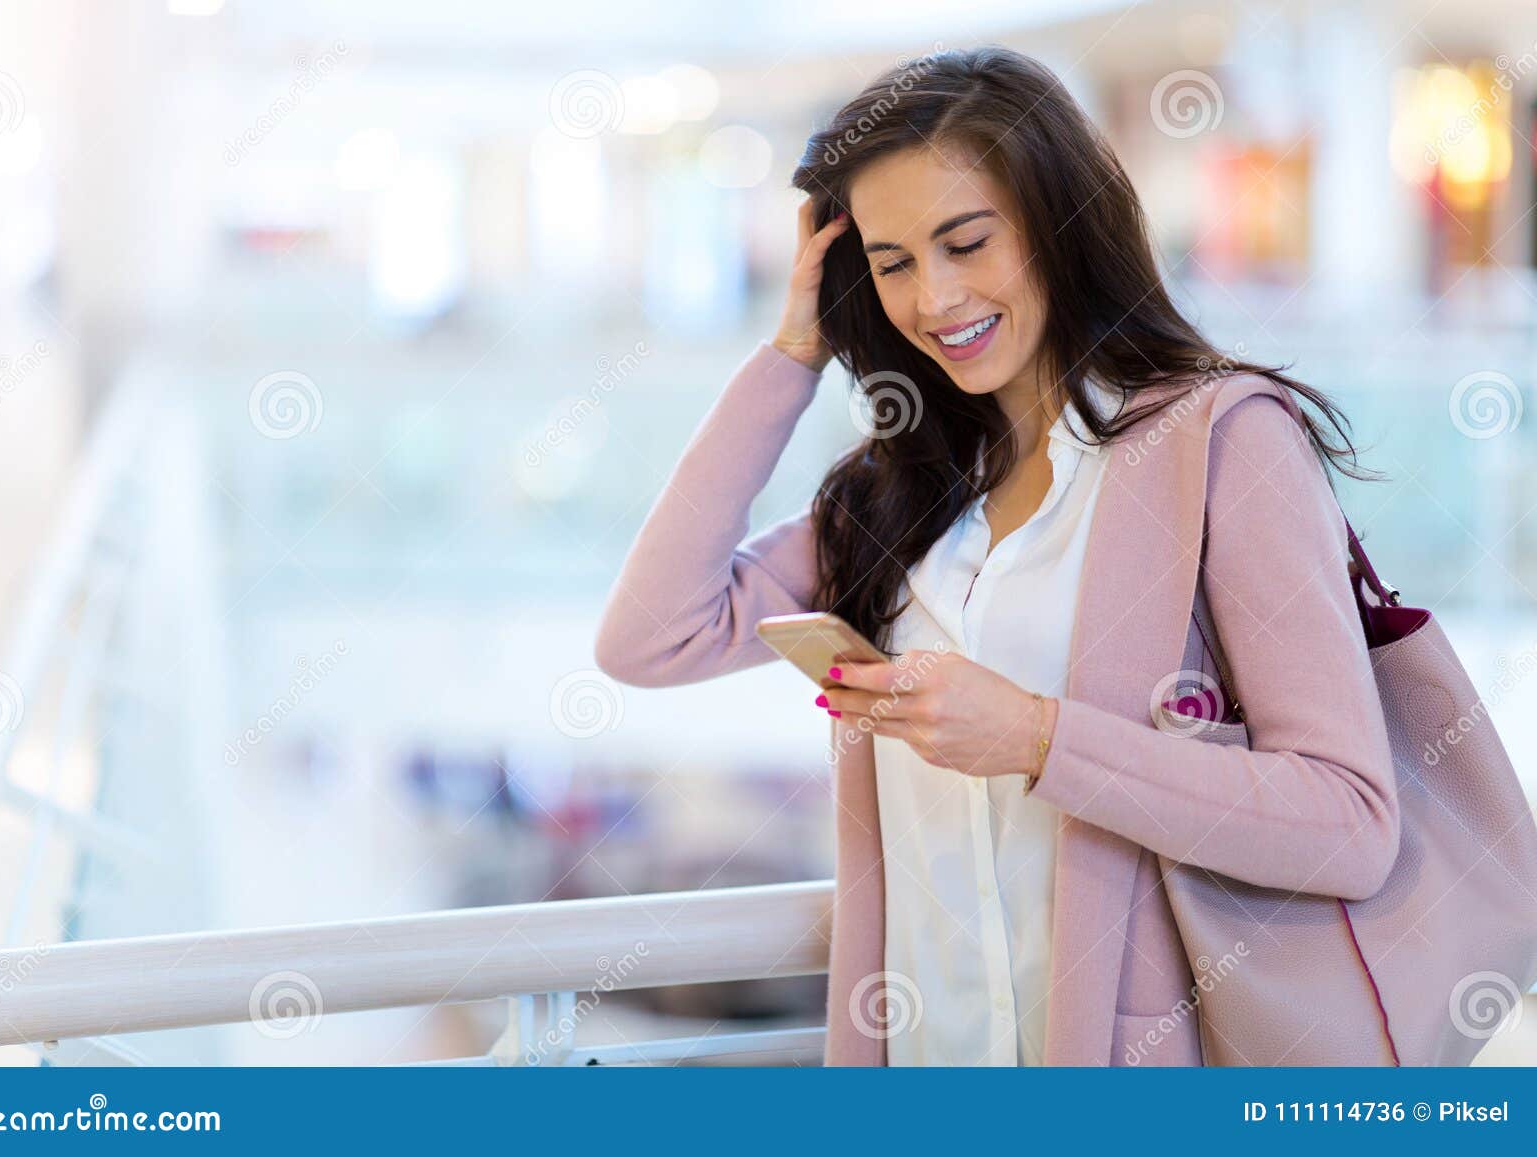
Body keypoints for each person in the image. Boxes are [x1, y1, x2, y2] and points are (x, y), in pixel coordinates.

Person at [593, 44, 1397, 1066]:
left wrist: (1034, 735)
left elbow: (1348, 821)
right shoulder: (894, 498)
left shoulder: (1217, 444)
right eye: (890, 263)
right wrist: (791, 353)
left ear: (1063, 223)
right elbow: (650, 637)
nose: (933, 299)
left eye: (966, 241)